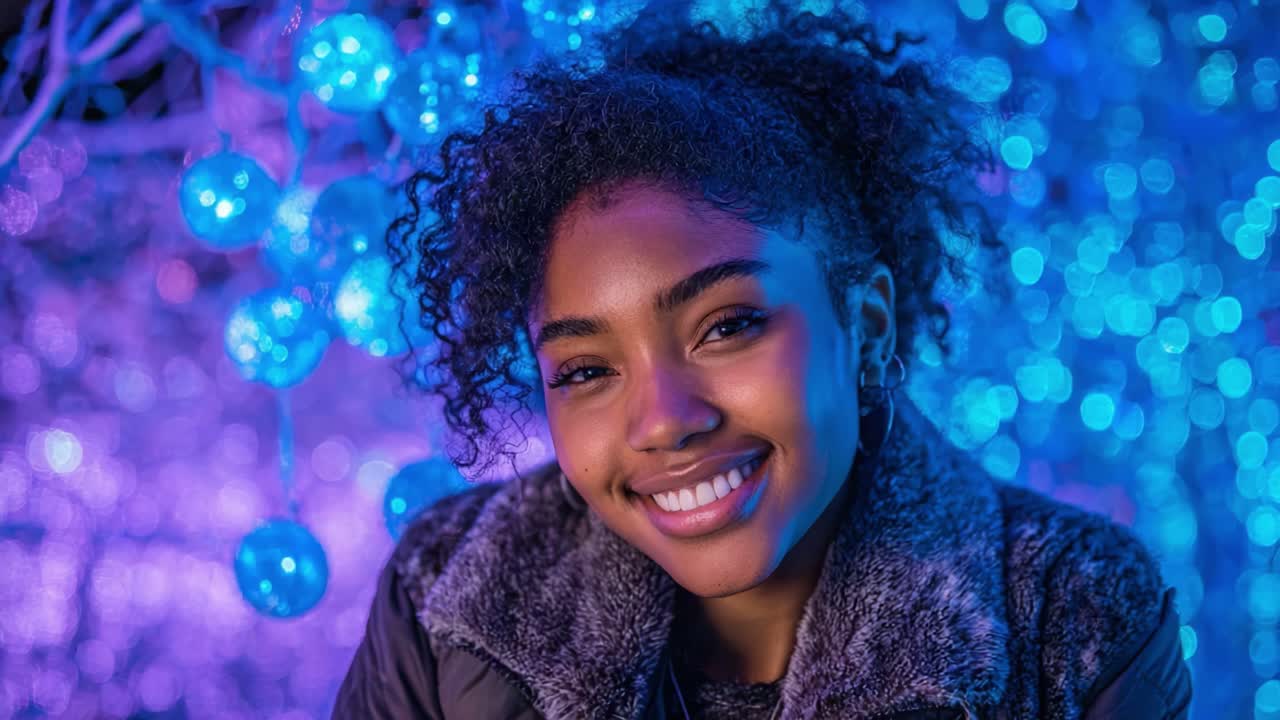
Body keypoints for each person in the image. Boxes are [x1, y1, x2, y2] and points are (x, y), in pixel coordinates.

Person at [332, 3, 1193, 718]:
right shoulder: (447, 594)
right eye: (586, 370)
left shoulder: (1076, 615)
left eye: (727, 327)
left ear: (866, 324)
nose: (664, 421)